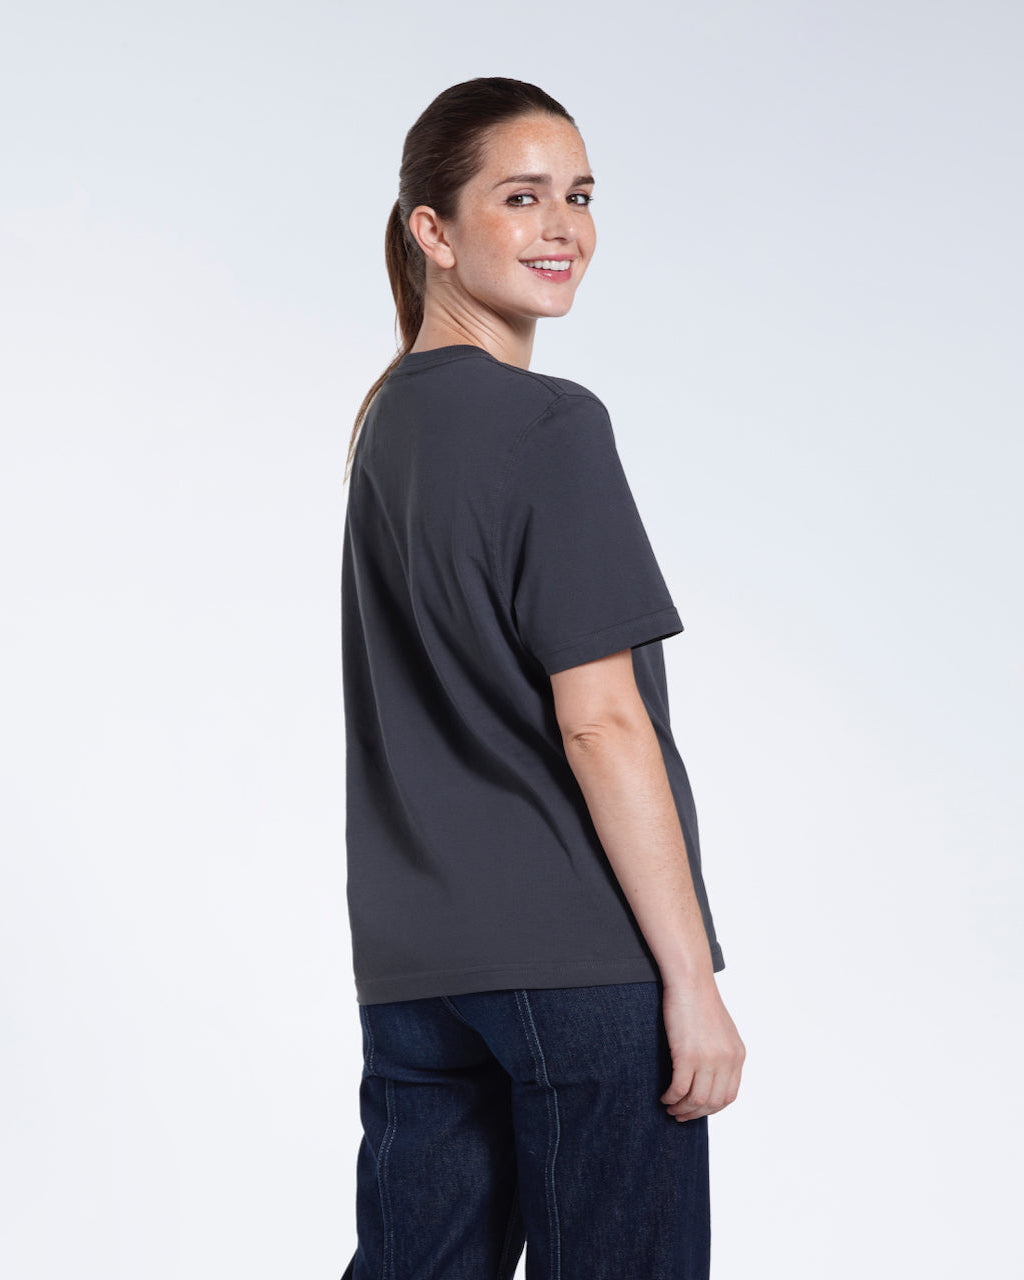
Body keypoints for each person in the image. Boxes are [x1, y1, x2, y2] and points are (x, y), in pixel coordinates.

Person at [339, 76, 745, 1280]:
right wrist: (690, 979)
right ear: (434, 229)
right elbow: (603, 720)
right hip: (576, 964)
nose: (562, 225)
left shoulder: (384, 430)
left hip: (417, 971)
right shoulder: (549, 424)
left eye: (576, 195)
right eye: (520, 197)